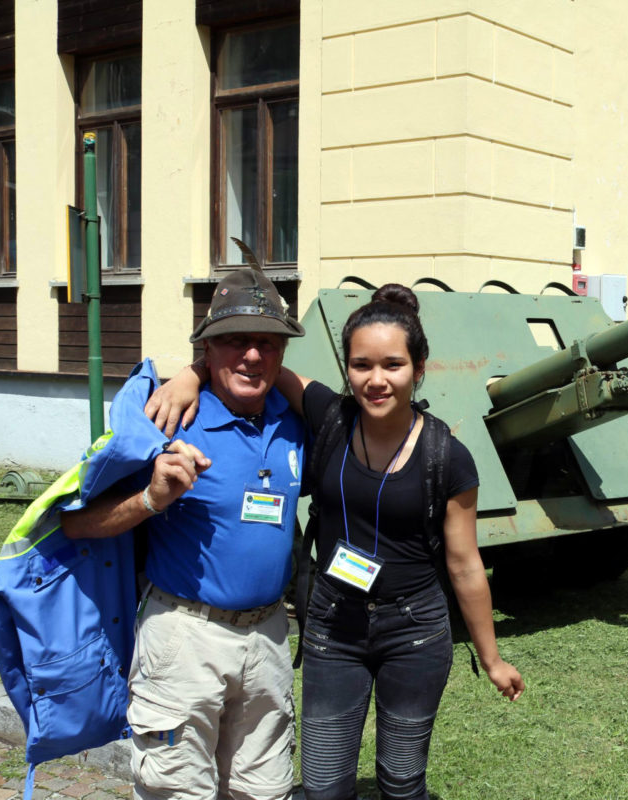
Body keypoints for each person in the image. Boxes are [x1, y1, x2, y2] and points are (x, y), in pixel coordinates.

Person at [149, 284, 525, 800]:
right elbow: (263, 367)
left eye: (393, 365)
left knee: (401, 781)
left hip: (414, 632)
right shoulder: (331, 417)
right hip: (333, 628)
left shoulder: (448, 457)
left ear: (419, 368)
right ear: (346, 369)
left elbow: (464, 564)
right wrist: (191, 375)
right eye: (361, 365)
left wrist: (492, 659)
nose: (376, 380)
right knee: (324, 785)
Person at [61, 268, 307, 800]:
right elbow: (77, 521)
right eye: (235, 340)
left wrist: (195, 371)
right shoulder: (167, 417)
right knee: (176, 791)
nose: (252, 356)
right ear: (207, 348)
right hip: (184, 637)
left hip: (269, 637)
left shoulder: (294, 420)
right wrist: (151, 498)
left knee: (266, 791)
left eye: (267, 342)